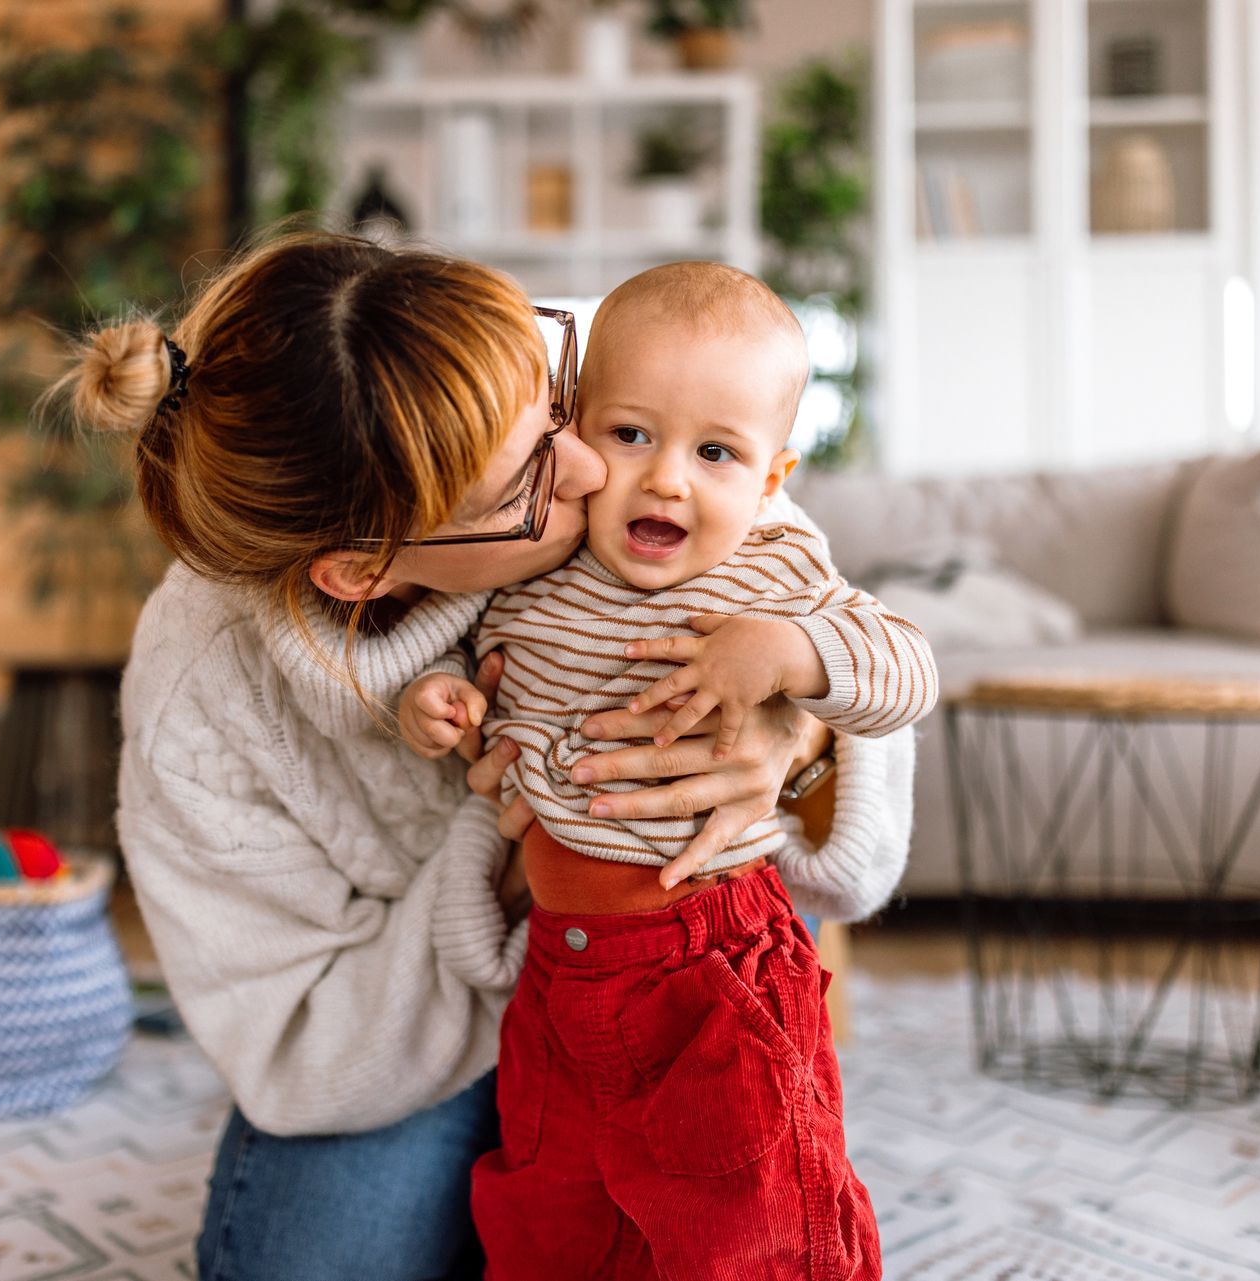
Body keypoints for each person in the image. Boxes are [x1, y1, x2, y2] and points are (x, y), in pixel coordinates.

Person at [53, 230, 917, 1280]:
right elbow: (300, 1054)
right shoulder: (205, 691)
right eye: (529, 485)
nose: (603, 467)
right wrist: (516, 864)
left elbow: (833, 647)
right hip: (425, 1033)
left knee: (737, 1219)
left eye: (560, 411)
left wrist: (802, 745)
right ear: (360, 573)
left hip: (675, 967)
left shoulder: (629, 384)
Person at [400, 262, 933, 1278]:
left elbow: (907, 670)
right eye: (631, 433)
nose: (667, 478)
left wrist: (788, 656)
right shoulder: (540, 561)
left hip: (713, 965)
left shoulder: (771, 569)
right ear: (575, 433)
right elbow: (471, 662)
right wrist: (435, 697)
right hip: (559, 969)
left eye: (717, 451)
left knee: (750, 1227)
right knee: (552, 1216)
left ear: (772, 479)